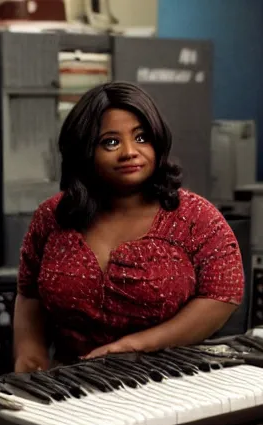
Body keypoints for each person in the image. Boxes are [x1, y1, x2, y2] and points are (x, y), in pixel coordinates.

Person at [14, 81, 244, 372]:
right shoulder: (54, 215)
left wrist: (136, 345)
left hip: (172, 380)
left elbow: (223, 295)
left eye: (141, 138)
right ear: (85, 149)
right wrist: (30, 354)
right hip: (70, 385)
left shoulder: (196, 216)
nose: (129, 152)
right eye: (110, 142)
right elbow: (28, 292)